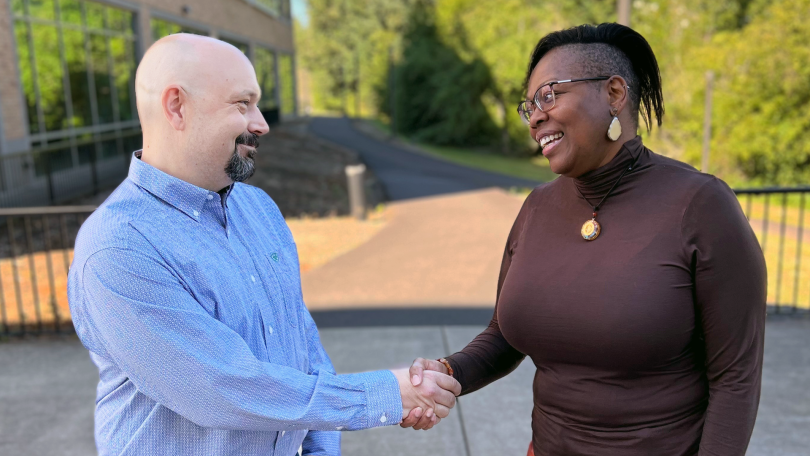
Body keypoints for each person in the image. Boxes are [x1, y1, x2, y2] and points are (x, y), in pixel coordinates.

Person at [67, 34, 459, 456]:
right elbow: (221, 388)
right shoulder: (119, 246)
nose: (261, 123)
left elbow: (302, 348)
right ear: (176, 106)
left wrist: (321, 450)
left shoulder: (259, 209)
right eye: (242, 104)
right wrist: (386, 395)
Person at [404, 23, 767, 456]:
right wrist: (445, 372)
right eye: (529, 105)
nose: (536, 116)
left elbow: (735, 378)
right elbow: (504, 335)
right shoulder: (536, 207)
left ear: (614, 94)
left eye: (549, 95)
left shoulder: (701, 205)